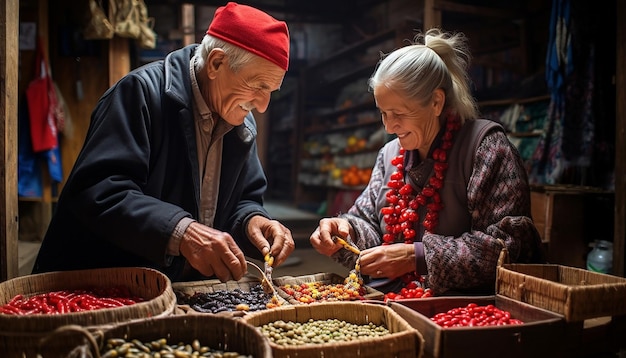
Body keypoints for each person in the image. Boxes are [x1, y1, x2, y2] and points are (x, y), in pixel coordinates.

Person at [32, 2, 295, 282]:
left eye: (271, 91)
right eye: (258, 86)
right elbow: (99, 192)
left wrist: (253, 221)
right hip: (103, 286)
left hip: (172, 287)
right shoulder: (139, 94)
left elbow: (243, 198)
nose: (263, 106)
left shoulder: (240, 120)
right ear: (217, 63)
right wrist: (182, 232)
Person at [309, 28, 545, 296]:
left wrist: (418, 257)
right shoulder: (389, 155)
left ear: (436, 102)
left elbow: (511, 247)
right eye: (383, 113)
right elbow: (369, 224)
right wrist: (345, 233)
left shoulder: (486, 149)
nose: (388, 126)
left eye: (399, 113)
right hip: (393, 298)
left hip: (461, 310)